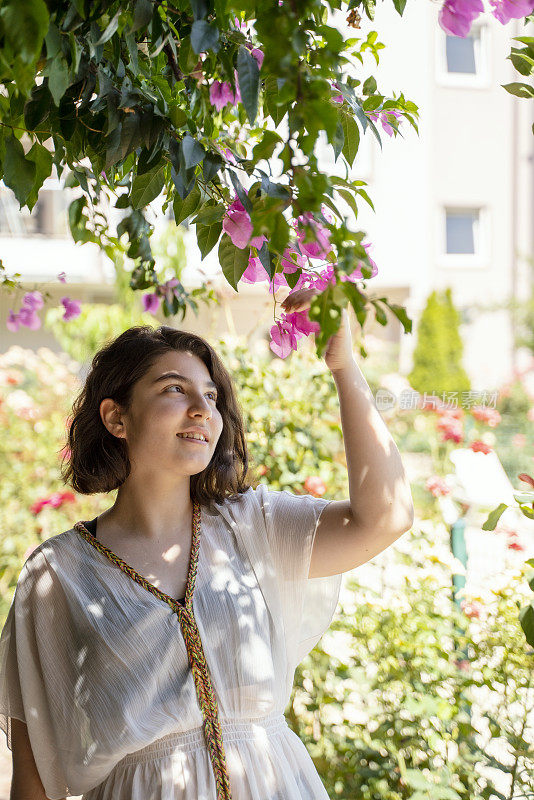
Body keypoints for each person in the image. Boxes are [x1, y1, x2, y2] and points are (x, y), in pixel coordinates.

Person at [0, 303, 414, 799]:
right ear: (116, 417)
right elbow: (34, 772)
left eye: (212, 396)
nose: (202, 408)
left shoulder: (253, 526)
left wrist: (344, 366)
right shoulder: (59, 573)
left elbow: (386, 516)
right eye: (175, 389)